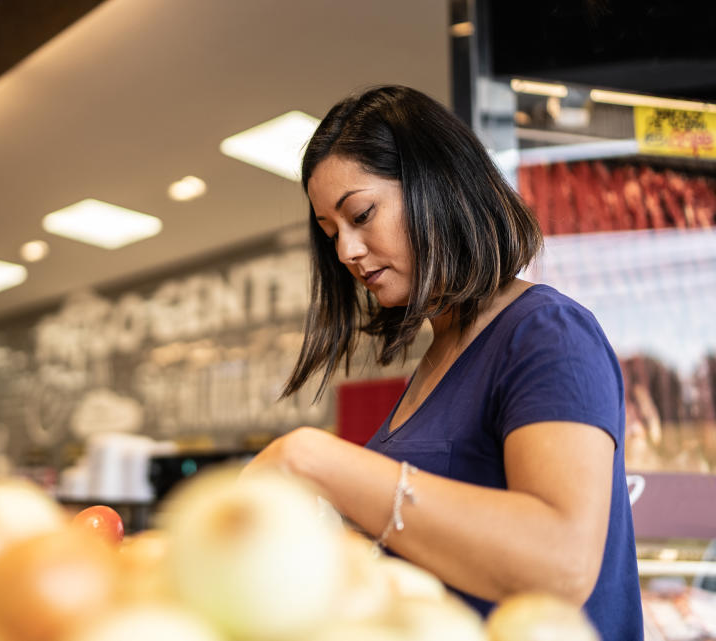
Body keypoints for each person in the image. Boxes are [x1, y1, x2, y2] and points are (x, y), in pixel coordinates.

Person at [244, 85, 642, 640]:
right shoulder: (439, 355)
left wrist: (312, 459)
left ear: (439, 185)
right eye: (331, 232)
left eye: (361, 214)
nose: (346, 252)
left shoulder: (545, 331)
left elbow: (562, 563)